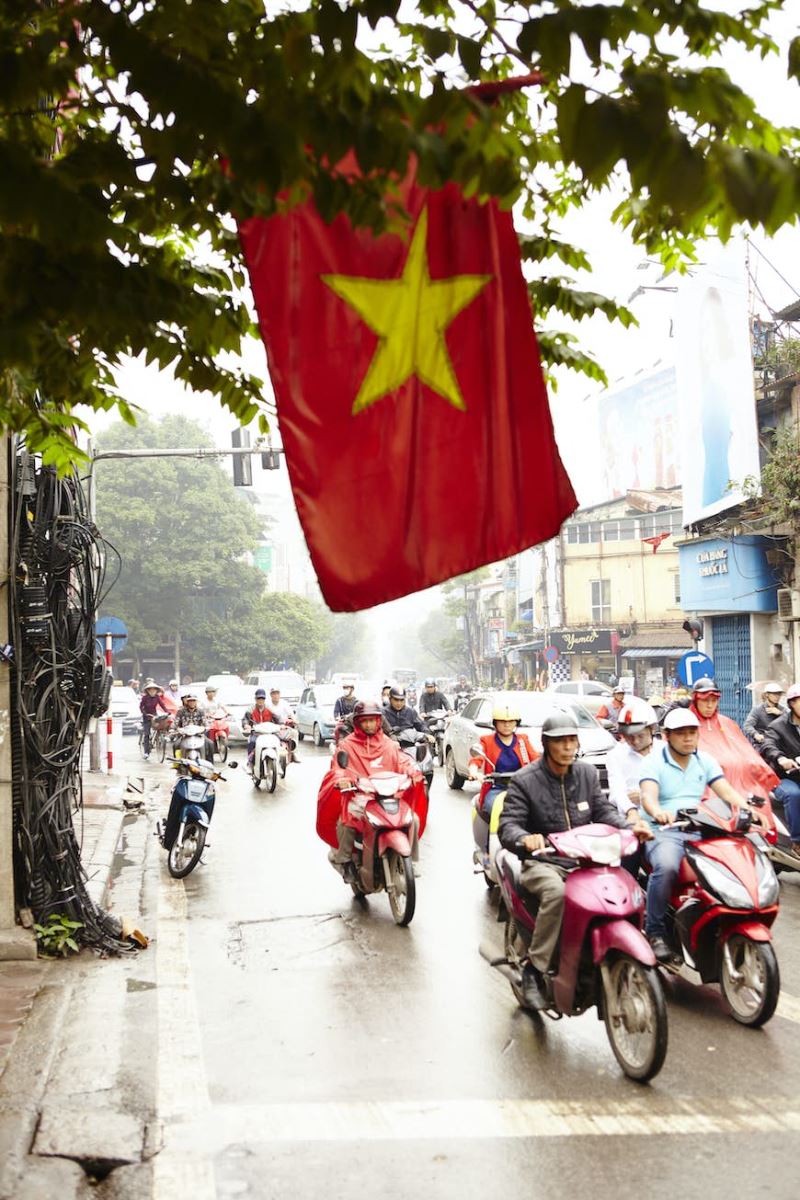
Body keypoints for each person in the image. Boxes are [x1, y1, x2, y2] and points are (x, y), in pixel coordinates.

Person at [498, 713, 652, 1008]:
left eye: (572, 740)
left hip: (587, 860)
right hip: (545, 861)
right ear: (546, 744)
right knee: (557, 895)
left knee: (627, 888)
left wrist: (630, 827)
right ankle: (535, 969)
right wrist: (526, 839)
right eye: (561, 742)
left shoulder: (585, 774)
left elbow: (603, 810)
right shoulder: (524, 780)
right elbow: (509, 826)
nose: (568, 747)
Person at [638, 708, 767, 963]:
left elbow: (726, 792)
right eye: (681, 734)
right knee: (666, 867)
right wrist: (658, 812)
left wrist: (749, 810)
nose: (688, 739)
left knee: (736, 860)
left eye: (692, 733)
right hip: (665, 831)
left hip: (700, 826)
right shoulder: (652, 761)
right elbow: (648, 796)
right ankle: (655, 932)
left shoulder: (704, 760)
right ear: (666, 736)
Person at [316, 700, 428, 879]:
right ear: (358, 722)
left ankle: (411, 863)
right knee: (348, 819)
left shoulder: (389, 744)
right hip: (361, 797)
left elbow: (403, 762)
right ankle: (345, 862)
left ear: (379, 721)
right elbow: (338, 768)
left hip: (389, 796)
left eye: (373, 720)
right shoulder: (347, 745)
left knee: (412, 819)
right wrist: (342, 779)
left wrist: (413, 772)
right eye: (365, 720)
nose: (369, 724)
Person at [689, 677, 777, 801]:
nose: (710, 705)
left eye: (713, 701)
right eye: (705, 701)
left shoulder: (727, 723)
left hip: (738, 782)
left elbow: (745, 749)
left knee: (761, 802)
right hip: (704, 786)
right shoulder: (687, 723)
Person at [468, 702, 539, 819]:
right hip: (496, 789)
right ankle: (496, 836)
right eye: (502, 722)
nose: (507, 725)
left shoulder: (523, 740)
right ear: (495, 723)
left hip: (522, 788)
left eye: (511, 721)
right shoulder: (487, 740)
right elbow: (477, 759)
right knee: (496, 809)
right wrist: (474, 772)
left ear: (516, 722)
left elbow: (536, 759)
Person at [761, 683, 800, 856]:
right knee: (794, 795)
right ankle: (797, 842)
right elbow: (768, 745)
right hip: (784, 777)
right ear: (792, 703)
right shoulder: (778, 726)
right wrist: (781, 758)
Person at [606, 699, 660, 823]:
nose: (635, 742)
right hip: (631, 820)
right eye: (630, 737)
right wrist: (631, 810)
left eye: (640, 736)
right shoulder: (615, 755)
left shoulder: (666, 752)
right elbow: (617, 793)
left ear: (651, 729)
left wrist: (642, 797)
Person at [242, 688, 277, 768]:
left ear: (265, 699)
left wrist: (282, 725)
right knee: (252, 743)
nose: (260, 700)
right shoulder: (250, 709)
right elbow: (245, 719)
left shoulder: (270, 708)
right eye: (258, 698)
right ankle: (250, 763)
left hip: (268, 734)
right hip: (256, 733)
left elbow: (277, 718)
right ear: (255, 699)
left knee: (278, 742)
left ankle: (279, 763)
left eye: (262, 698)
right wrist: (246, 725)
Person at [743, 682, 785, 747]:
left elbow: (792, 721)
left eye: (779, 694)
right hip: (763, 743)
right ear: (767, 695)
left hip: (779, 743)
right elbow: (747, 725)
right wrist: (756, 734)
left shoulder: (782, 709)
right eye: (774, 694)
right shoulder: (758, 710)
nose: (777, 697)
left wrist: (780, 714)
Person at [139, 679, 170, 758]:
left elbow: (162, 705)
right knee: (147, 734)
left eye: (154, 690)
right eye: (151, 690)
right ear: (148, 691)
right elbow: (141, 707)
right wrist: (145, 714)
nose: (152, 691)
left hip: (154, 714)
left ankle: (158, 740)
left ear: (156, 690)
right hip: (146, 716)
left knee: (160, 726)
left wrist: (167, 711)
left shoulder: (157, 697)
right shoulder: (145, 698)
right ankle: (146, 752)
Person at [268, 686, 300, 762]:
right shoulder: (267, 705)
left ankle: (294, 753)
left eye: (277, 693)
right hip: (272, 728)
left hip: (284, 727)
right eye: (273, 694)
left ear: (279, 695)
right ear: (271, 695)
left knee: (294, 733)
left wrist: (295, 720)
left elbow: (291, 714)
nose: (275, 696)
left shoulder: (284, 703)